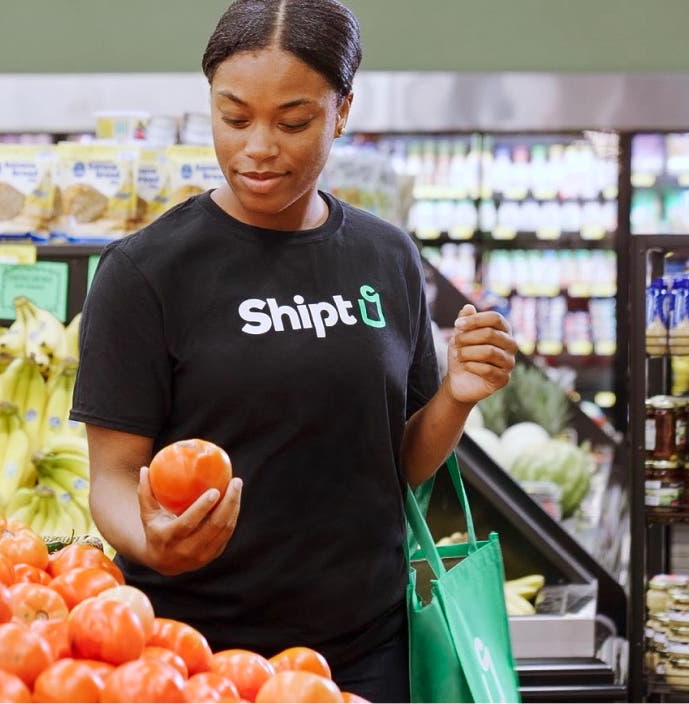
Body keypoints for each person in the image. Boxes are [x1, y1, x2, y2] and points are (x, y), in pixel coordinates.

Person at [70, 0, 517, 700]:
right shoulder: (145, 271)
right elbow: (112, 477)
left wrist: (456, 395)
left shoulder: (386, 255)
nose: (258, 148)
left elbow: (397, 467)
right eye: (235, 117)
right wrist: (152, 540)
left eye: (294, 121)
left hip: (369, 649)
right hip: (193, 655)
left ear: (341, 111)